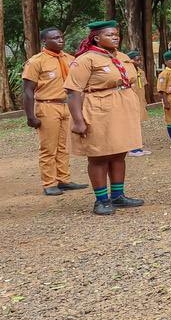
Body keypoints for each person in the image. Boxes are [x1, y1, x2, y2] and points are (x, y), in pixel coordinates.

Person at [65, 20, 143, 215]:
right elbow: (72, 91)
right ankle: (101, 200)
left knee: (119, 152)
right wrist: (78, 121)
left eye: (116, 34)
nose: (115, 37)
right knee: (99, 155)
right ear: (97, 38)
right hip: (98, 109)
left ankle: (118, 196)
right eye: (110, 34)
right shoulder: (86, 59)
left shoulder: (123, 57)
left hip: (121, 110)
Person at [21, 28, 88, 195]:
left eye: (61, 37)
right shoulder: (36, 61)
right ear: (45, 41)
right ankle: (49, 183)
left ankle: (63, 179)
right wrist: (30, 116)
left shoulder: (70, 59)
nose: (60, 40)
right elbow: (28, 91)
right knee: (48, 147)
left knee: (64, 146)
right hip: (47, 106)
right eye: (55, 38)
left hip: (67, 106)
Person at [125, 50, 152, 156]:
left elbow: (143, 87)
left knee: (137, 124)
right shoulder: (126, 72)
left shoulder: (141, 72)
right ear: (130, 61)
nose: (139, 62)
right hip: (129, 102)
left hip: (140, 101)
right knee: (130, 125)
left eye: (140, 59)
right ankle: (131, 148)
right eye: (137, 60)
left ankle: (138, 146)